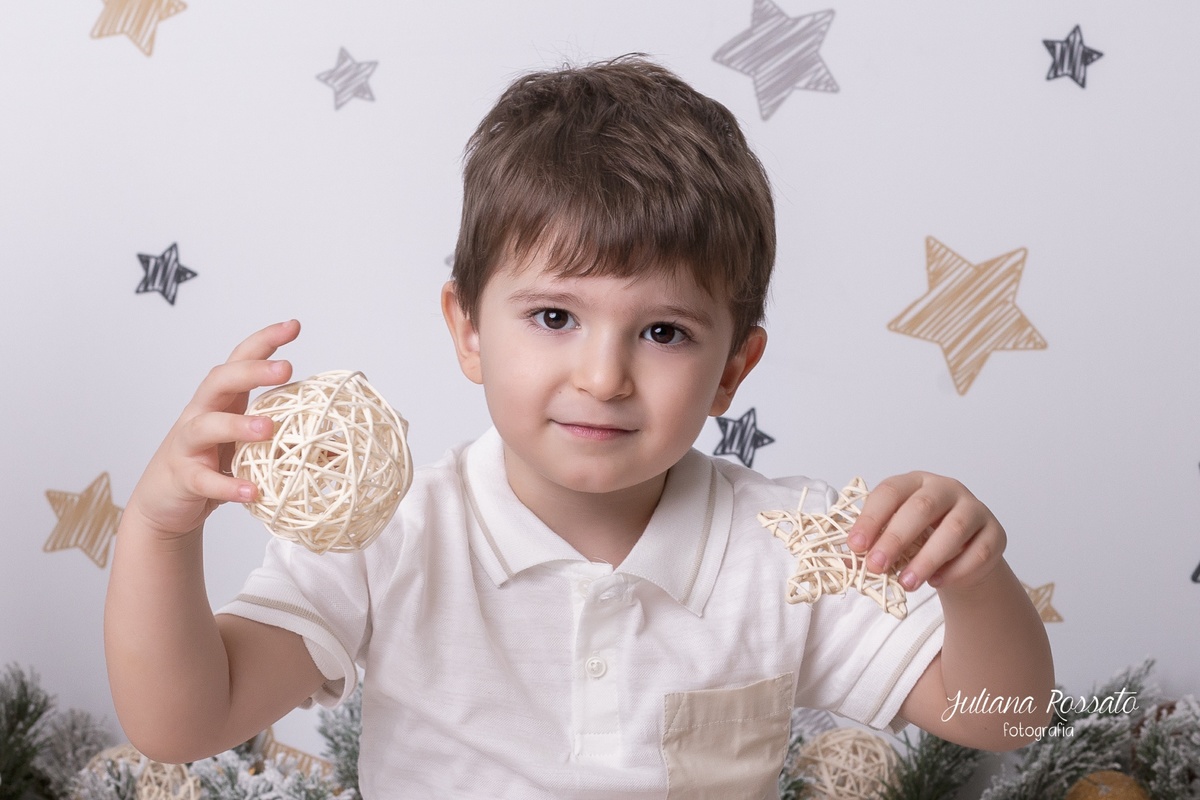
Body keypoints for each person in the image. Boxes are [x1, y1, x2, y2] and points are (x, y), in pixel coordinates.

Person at [105, 56, 1054, 798]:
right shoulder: (394, 535)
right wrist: (158, 529)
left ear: (734, 369)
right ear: (467, 330)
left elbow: (1003, 716)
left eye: (663, 332)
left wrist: (973, 581)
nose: (603, 377)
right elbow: (184, 723)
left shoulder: (792, 545)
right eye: (554, 317)